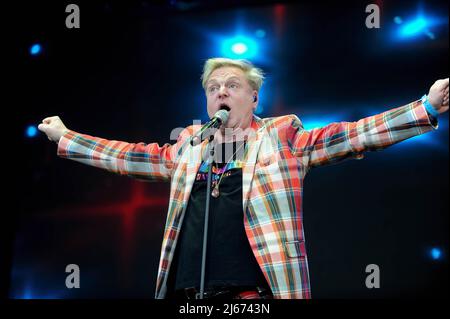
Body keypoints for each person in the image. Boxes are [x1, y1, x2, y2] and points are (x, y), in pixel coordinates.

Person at [38, 58, 449, 299]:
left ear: (253, 97)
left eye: (232, 85)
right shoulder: (189, 148)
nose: (221, 92)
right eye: (213, 87)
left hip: (253, 297)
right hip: (188, 295)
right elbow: (129, 158)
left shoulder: (282, 137)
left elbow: (353, 135)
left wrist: (424, 107)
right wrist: (67, 138)